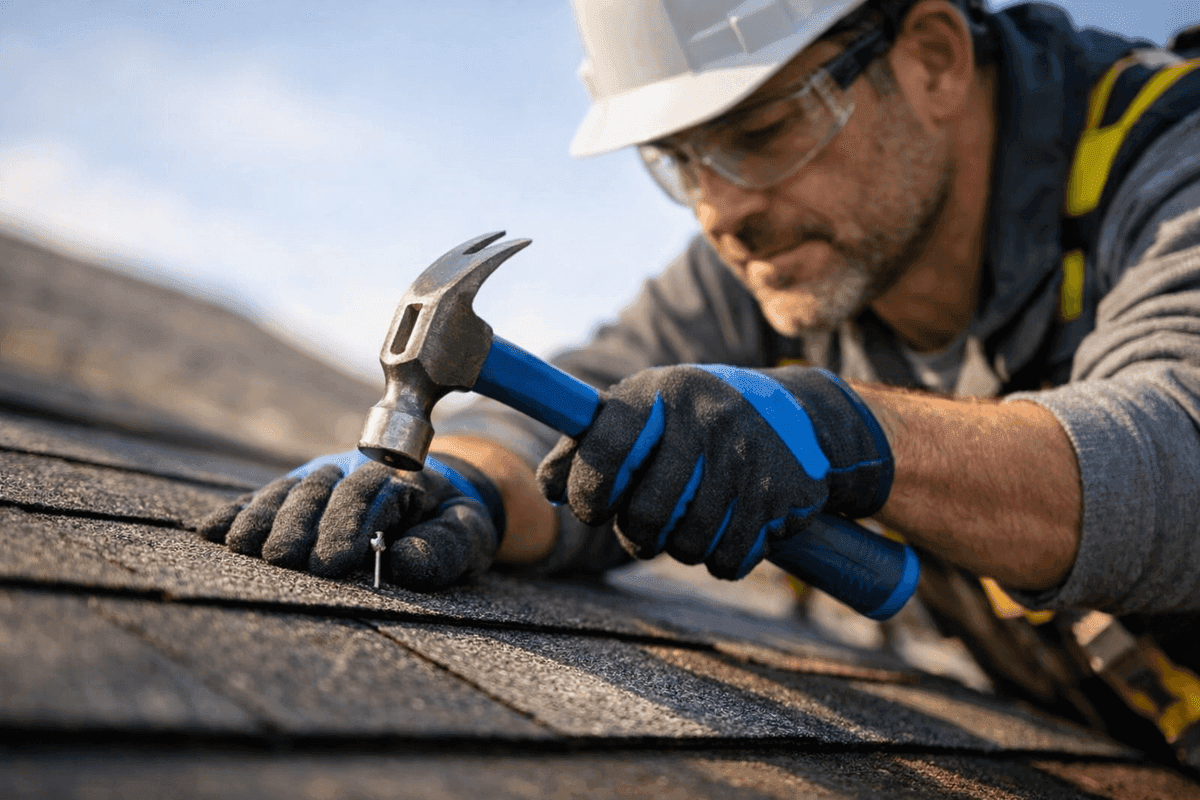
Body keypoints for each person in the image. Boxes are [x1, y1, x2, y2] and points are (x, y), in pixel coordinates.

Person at [197, 0, 1200, 768]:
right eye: (679, 161)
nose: (722, 213)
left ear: (933, 58)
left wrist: (847, 432)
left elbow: (1174, 453)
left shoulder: (1167, 159)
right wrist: (462, 487)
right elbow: (589, 403)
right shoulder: (795, 249)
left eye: (761, 132)